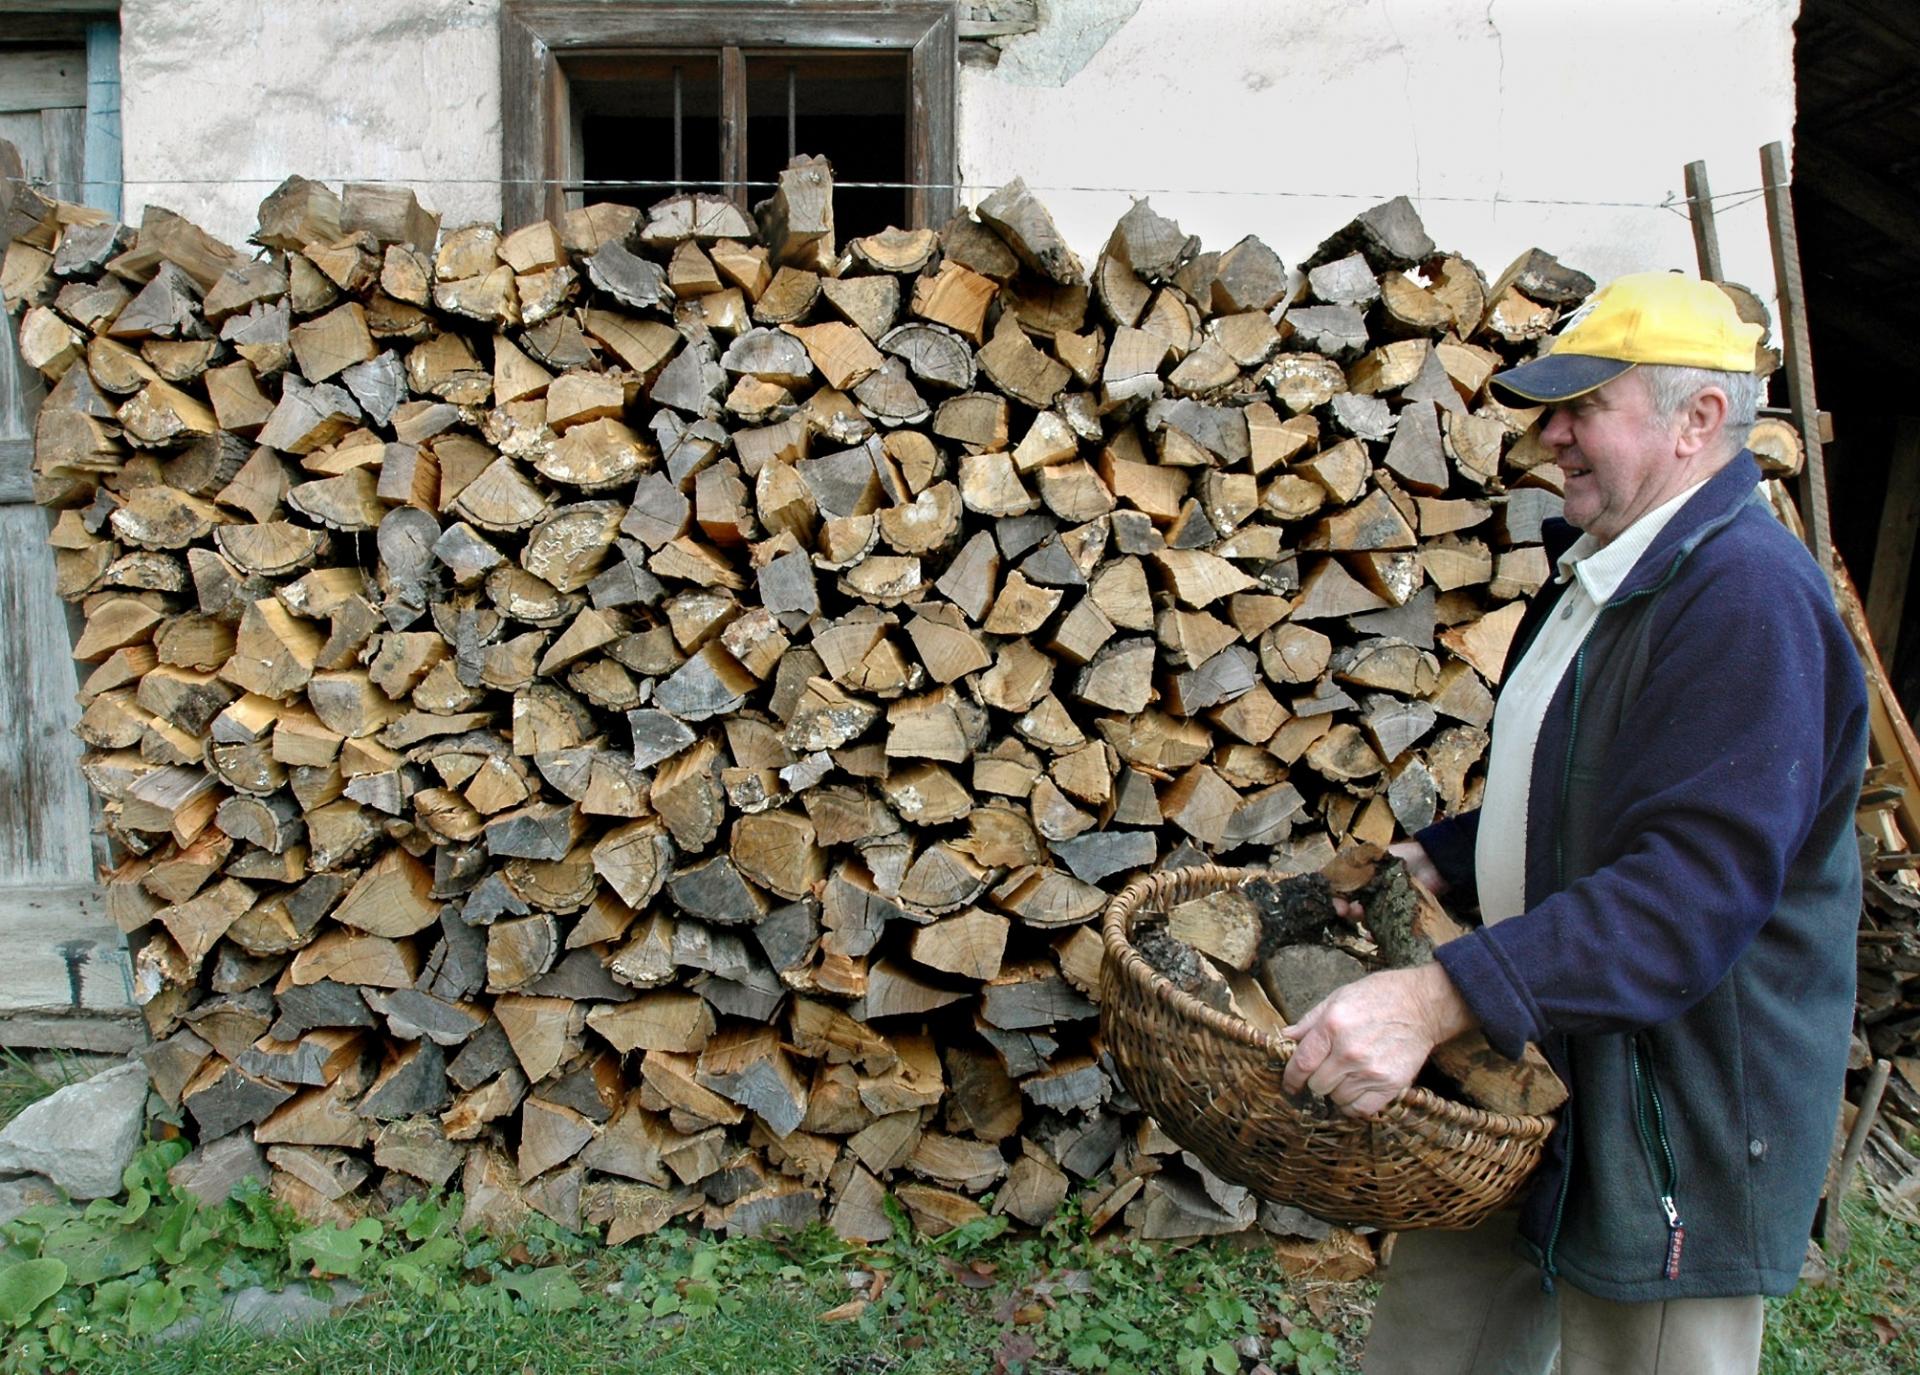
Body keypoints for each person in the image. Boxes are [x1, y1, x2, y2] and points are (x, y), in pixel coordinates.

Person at [1278, 272, 1870, 1375]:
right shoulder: (1600, 575)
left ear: (1698, 421)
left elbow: (1687, 896)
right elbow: (1584, 795)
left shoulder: (1746, 597)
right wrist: (1439, 860)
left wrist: (1435, 994)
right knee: (1429, 1352)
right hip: (1532, 1063)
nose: (1550, 436)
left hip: (1669, 1118)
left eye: (1584, 406)